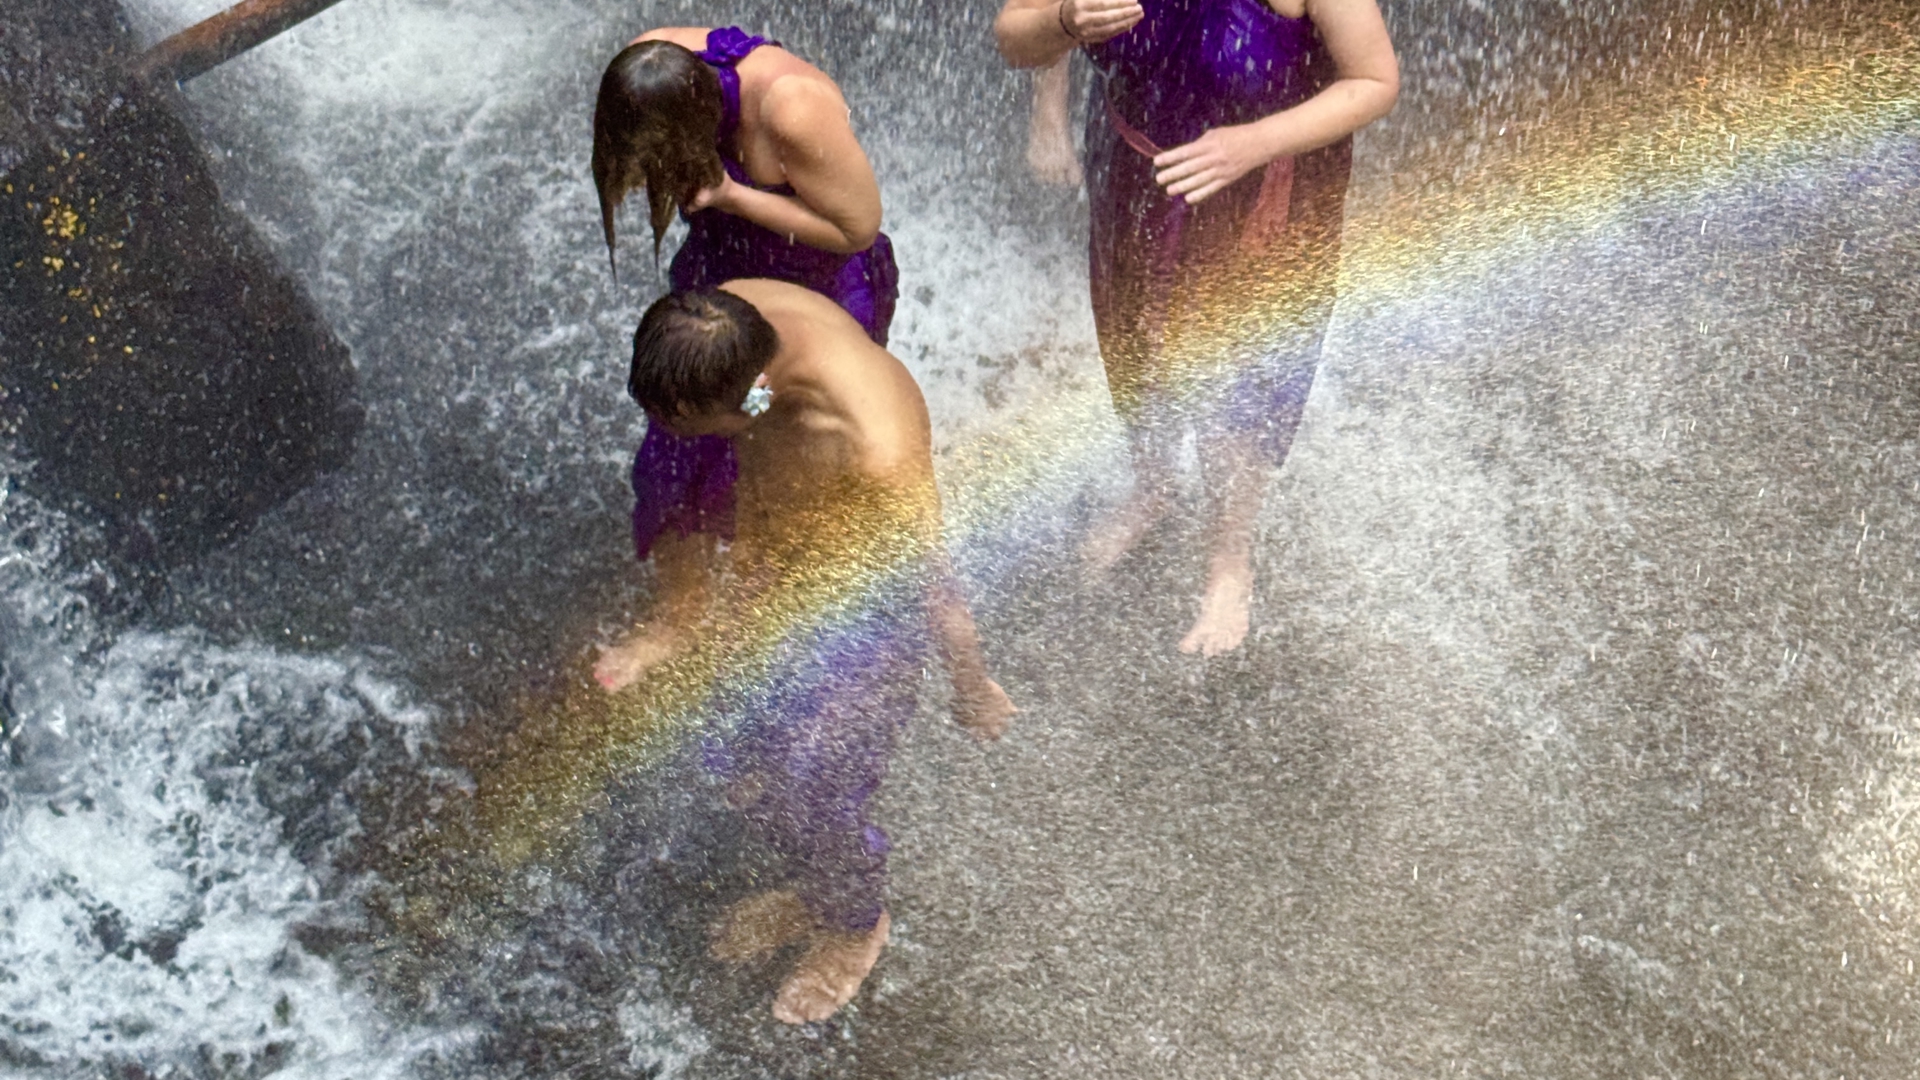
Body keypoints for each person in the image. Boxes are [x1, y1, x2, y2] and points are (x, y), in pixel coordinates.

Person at [605, 280, 1016, 1024]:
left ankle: (856, 927)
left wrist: (973, 683)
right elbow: (753, 434)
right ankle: (816, 886)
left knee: (814, 785)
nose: (667, 430)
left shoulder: (871, 446)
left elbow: (937, 588)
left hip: (870, 603)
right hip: (785, 565)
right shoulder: (729, 321)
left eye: (685, 421)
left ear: (752, 390)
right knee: (732, 758)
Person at [994, 0, 1398, 655]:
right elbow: (1015, 34)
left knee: (1238, 380)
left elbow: (1375, 81)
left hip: (1264, 189)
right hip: (1137, 167)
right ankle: (1153, 486)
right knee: (1135, 348)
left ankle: (1230, 559)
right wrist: (1065, 27)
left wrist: (1254, 142)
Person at [591, 26, 898, 688]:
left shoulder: (790, 106)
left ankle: (789, 610)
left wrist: (731, 196)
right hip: (722, 274)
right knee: (676, 436)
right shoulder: (651, 72)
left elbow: (858, 227)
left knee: (778, 449)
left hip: (815, 287)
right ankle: (683, 614)